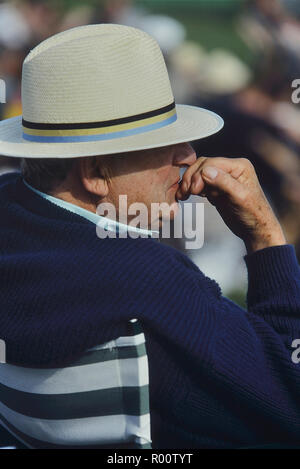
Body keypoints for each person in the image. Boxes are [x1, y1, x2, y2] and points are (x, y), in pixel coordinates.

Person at [0, 24, 300, 449]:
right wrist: (267, 239)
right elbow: (292, 403)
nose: (188, 156)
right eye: (164, 143)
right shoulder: (146, 278)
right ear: (95, 172)